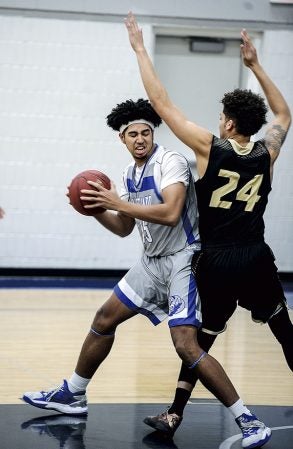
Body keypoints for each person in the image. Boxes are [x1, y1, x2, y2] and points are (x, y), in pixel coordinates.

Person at [22, 98, 270, 449]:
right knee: (104, 318)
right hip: (151, 262)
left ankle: (249, 420)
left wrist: (115, 202)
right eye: (133, 134)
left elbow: (170, 213)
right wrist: (96, 210)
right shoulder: (127, 173)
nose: (140, 139)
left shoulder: (171, 162)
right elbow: (124, 226)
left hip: (184, 260)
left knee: (186, 346)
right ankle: (73, 395)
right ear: (122, 139)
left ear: (153, 135)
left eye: (146, 132)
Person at [125, 10, 292, 441]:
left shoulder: (209, 149)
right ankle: (173, 414)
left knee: (200, 343)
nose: (218, 120)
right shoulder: (266, 154)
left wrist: (141, 49)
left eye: (222, 115)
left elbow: (162, 103)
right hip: (256, 257)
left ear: (229, 123)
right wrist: (255, 65)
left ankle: (175, 414)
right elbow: (284, 115)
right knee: (285, 334)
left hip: (216, 260)